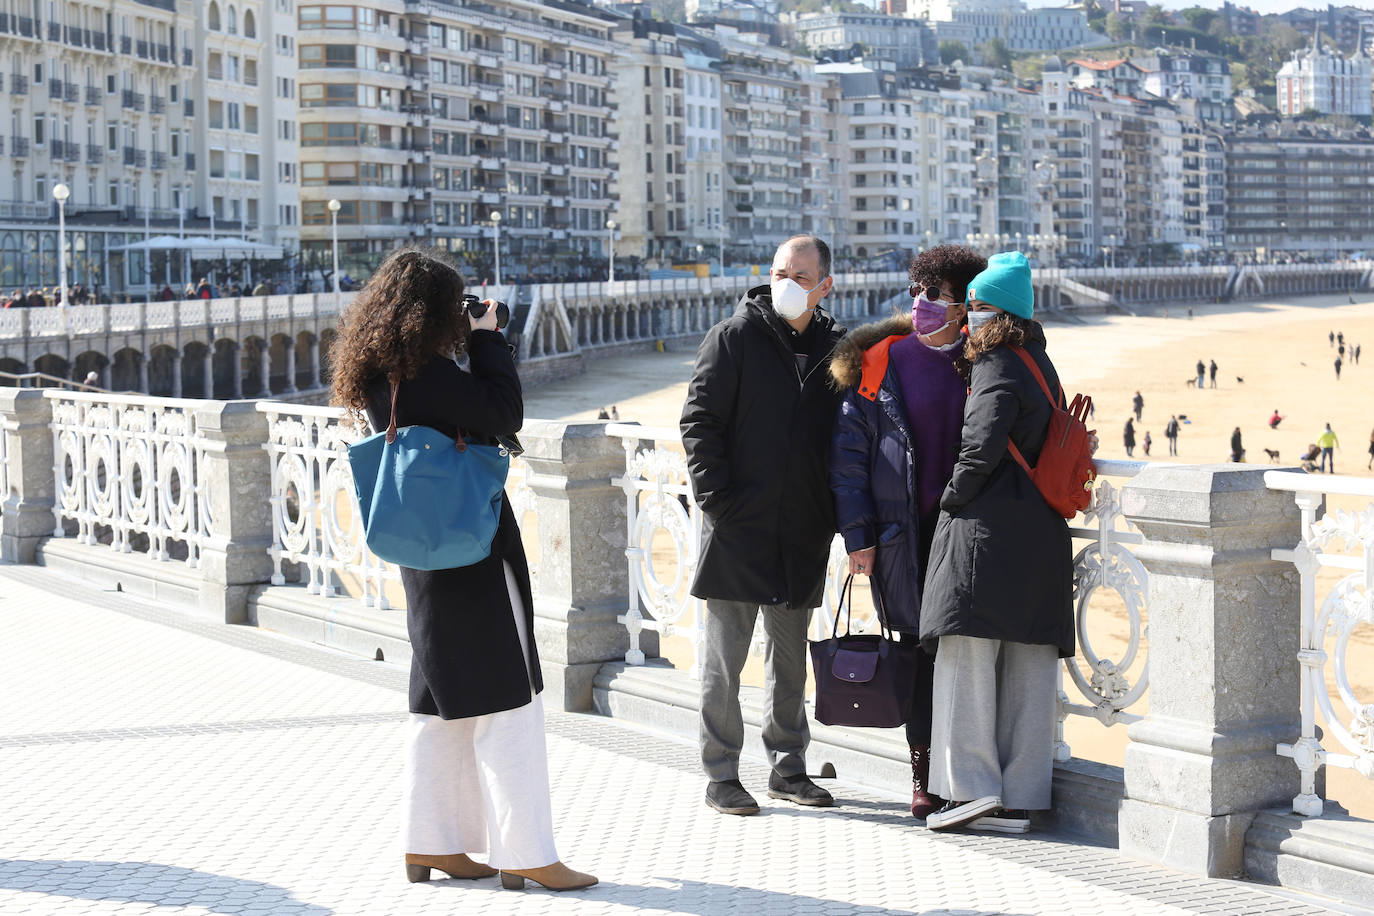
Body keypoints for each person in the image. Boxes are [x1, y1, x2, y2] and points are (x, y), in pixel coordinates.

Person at [329, 248, 595, 892]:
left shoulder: (378, 374)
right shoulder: (428, 374)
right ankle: (527, 851)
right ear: (435, 312)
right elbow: (504, 416)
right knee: (511, 696)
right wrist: (490, 338)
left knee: (439, 696)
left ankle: (432, 842)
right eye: (455, 306)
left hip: (421, 552)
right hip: (472, 547)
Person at [681, 234, 846, 817]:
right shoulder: (734, 338)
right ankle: (721, 773)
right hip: (737, 529)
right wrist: (719, 504)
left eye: (802, 276)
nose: (787, 284)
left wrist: (834, 517)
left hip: (802, 530)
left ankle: (788, 767)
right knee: (724, 659)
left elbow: (848, 440)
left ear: (825, 285)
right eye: (780, 272)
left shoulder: (837, 351)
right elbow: (698, 422)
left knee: (790, 656)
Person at [829, 244, 985, 820]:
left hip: (967, 537)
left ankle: (966, 774)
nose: (922, 304)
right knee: (917, 653)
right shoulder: (880, 361)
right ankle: (922, 777)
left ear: (966, 305)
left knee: (964, 655)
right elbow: (849, 459)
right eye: (918, 292)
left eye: (937, 295)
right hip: (902, 537)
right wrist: (858, 536)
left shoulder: (983, 360)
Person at [921, 251, 1075, 834]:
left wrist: (949, 500)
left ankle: (972, 791)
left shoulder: (996, 365)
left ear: (997, 311)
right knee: (1028, 666)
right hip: (1040, 536)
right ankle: (1019, 799)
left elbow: (980, 446)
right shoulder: (1041, 362)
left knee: (967, 656)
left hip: (988, 535)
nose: (969, 318)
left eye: (978, 306)